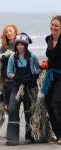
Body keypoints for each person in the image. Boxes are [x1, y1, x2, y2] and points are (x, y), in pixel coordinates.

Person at [6, 33, 41, 145]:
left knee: (29, 111)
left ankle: (31, 135)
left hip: (30, 87)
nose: (20, 46)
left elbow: (38, 69)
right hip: (17, 87)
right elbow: (9, 73)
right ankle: (12, 137)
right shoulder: (12, 57)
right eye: (18, 44)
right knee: (12, 109)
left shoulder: (33, 57)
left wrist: (34, 76)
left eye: (22, 44)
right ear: (16, 45)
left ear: (26, 45)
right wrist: (17, 77)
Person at [41, 15, 61, 144]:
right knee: (48, 103)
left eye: (57, 26)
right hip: (50, 75)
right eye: (52, 25)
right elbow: (52, 57)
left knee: (56, 103)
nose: (53, 27)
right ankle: (58, 134)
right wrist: (46, 63)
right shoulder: (48, 39)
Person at [0, 24, 19, 109]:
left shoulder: (20, 44)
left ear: (15, 32)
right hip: (7, 77)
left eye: (10, 31)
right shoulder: (3, 47)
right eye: (6, 31)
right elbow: (2, 61)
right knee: (9, 105)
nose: (8, 33)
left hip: (18, 77)